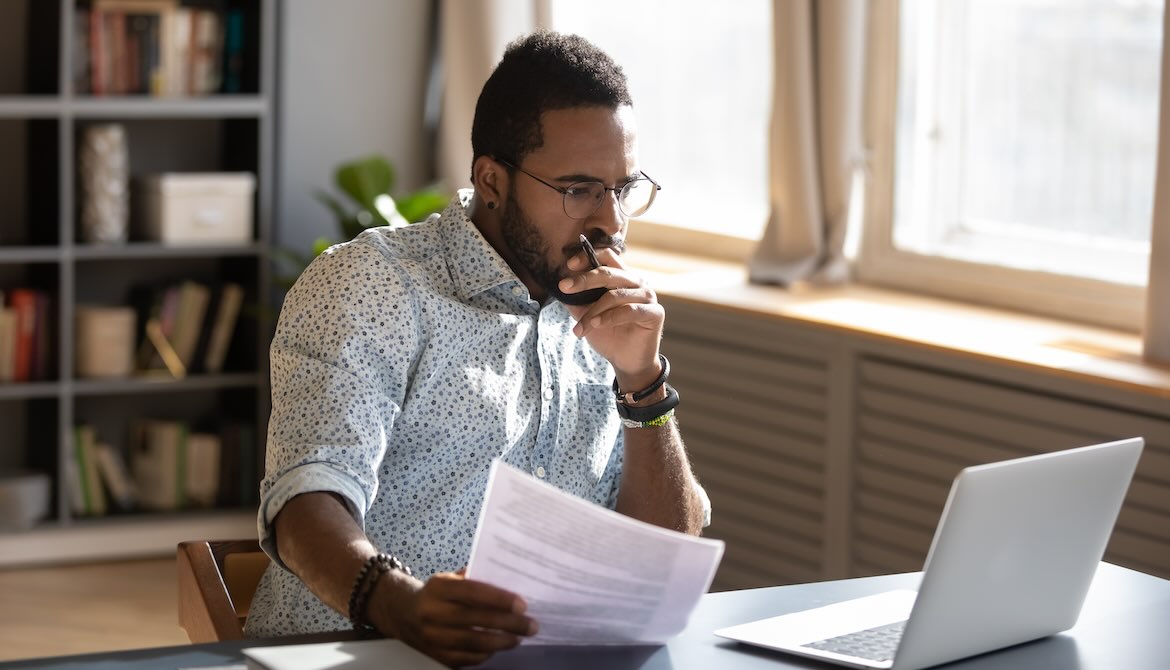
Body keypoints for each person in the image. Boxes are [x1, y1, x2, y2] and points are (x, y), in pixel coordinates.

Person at [244, 30, 710, 667]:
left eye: (622, 189)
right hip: (350, 656)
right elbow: (306, 499)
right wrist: (398, 604)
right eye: (578, 189)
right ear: (492, 180)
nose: (611, 222)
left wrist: (643, 382)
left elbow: (661, 560)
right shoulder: (373, 286)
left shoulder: (608, 320)